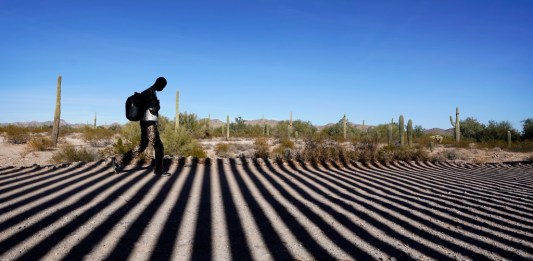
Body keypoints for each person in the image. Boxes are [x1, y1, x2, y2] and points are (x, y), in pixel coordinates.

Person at [113, 77, 170, 176]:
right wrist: (151, 105)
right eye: (163, 86)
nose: (163, 89)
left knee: (142, 145)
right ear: (159, 84)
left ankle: (118, 161)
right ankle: (158, 171)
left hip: (146, 122)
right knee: (158, 146)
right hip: (149, 123)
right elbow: (141, 102)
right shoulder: (149, 92)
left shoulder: (151, 92)